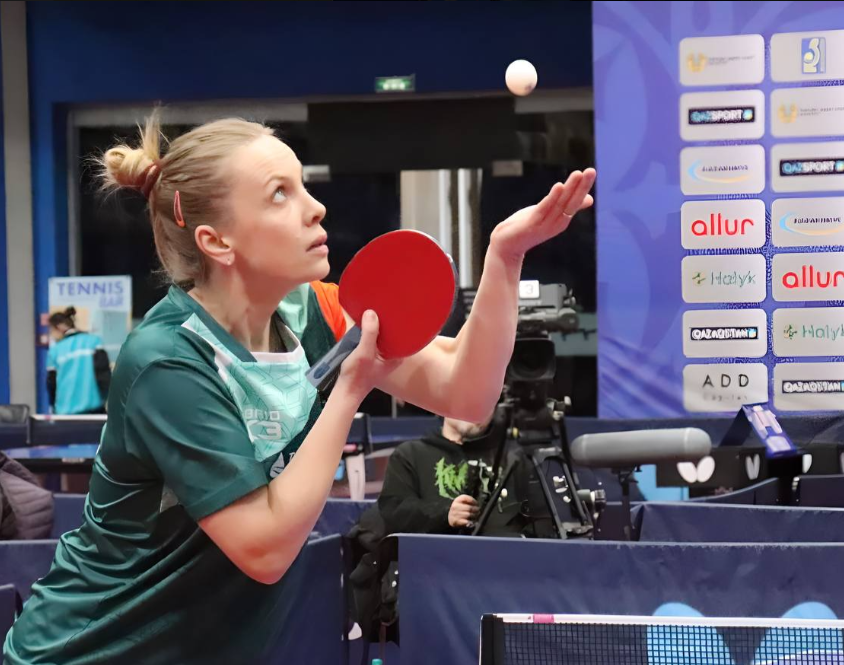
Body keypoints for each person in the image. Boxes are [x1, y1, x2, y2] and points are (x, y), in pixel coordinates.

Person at [3, 112, 595, 664]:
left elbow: (467, 391)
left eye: (302, 186)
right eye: (279, 194)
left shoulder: (314, 313)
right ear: (217, 241)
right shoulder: (168, 360)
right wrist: (349, 392)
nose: (315, 209)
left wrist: (505, 256)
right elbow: (263, 549)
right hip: (90, 651)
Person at [378, 411, 530, 537]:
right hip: (435, 559)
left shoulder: (516, 457)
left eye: (482, 400)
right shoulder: (411, 454)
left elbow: (538, 522)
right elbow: (394, 512)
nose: (472, 407)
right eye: (463, 398)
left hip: (505, 558)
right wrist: (445, 515)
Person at [45, 307, 111, 415]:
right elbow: (104, 374)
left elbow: (52, 384)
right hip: (94, 408)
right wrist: (105, 398)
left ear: (59, 327)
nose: (51, 335)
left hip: (64, 412)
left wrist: (54, 406)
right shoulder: (94, 342)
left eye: (51, 331)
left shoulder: (55, 351)